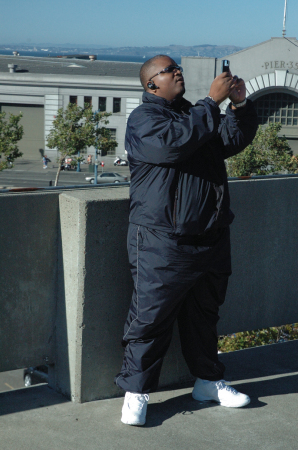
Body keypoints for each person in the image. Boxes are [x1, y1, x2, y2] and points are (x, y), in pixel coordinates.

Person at [115, 55, 258, 426]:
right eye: (169, 70)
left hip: (210, 235)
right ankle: (136, 392)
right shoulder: (144, 120)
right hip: (162, 239)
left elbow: (233, 137)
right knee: (150, 316)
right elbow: (171, 146)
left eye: (178, 66)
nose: (177, 71)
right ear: (151, 85)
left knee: (204, 314)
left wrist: (239, 105)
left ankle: (208, 381)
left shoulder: (196, 115)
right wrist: (212, 103)